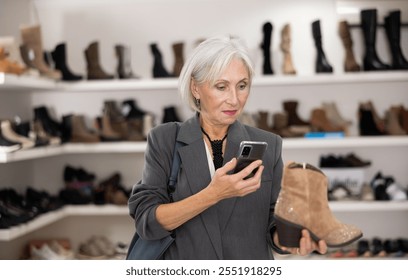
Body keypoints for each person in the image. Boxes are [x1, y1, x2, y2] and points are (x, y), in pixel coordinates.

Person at [128, 35, 327, 259]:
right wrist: (214, 194)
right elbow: (147, 221)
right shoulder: (164, 139)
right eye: (221, 87)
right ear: (195, 88)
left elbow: (273, 223)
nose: (234, 99)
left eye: (242, 86)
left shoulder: (269, 144)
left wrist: (292, 239)